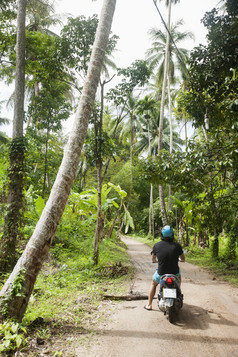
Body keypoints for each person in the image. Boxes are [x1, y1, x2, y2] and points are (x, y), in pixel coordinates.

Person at [144, 225, 185, 311]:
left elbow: (153, 258)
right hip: (174, 273)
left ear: (162, 235)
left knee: (153, 284)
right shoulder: (177, 246)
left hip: (161, 273)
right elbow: (183, 258)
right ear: (172, 235)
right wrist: (180, 260)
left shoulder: (157, 245)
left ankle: (149, 304)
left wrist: (155, 261)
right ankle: (178, 290)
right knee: (179, 276)